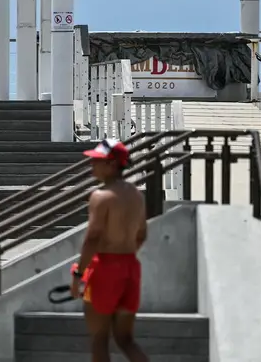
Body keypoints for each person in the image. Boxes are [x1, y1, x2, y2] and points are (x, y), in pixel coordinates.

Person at [71, 138, 150, 362]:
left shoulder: (100, 196)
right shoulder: (136, 196)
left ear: (113, 164)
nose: (92, 165)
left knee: (99, 339)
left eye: (98, 161)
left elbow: (93, 237)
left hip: (105, 268)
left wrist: (78, 275)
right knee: (126, 339)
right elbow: (142, 234)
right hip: (130, 267)